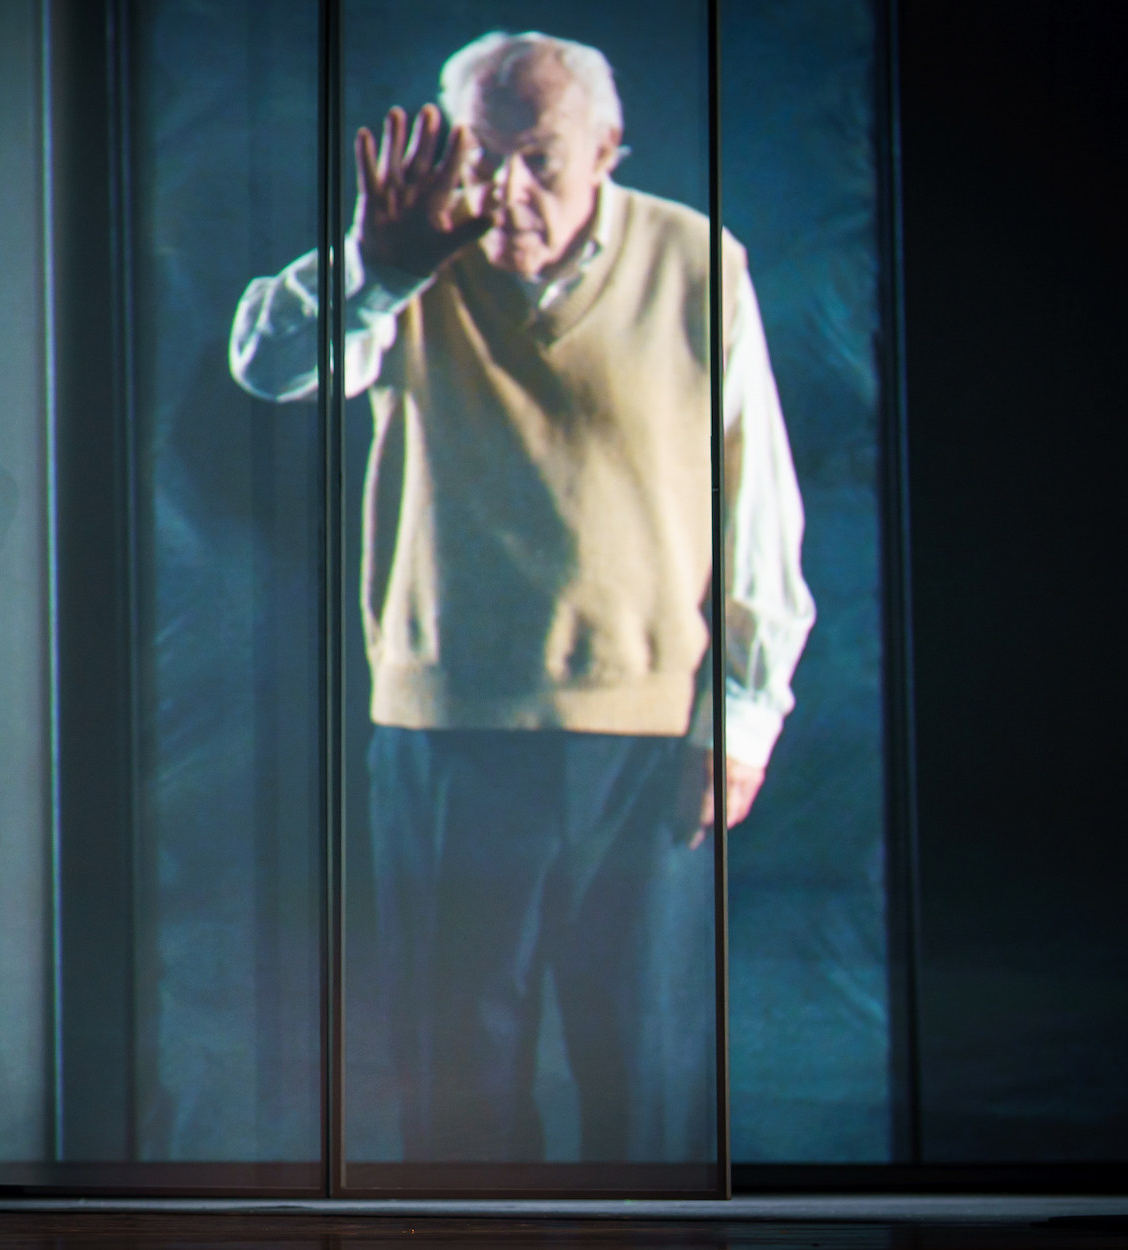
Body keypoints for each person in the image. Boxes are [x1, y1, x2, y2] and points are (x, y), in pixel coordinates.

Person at [229, 31, 814, 1162]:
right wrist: (374, 267)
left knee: (644, 1083)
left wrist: (738, 722)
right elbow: (267, 364)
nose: (503, 190)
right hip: (447, 730)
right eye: (478, 154)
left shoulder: (698, 263)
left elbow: (757, 511)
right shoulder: (407, 256)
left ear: (607, 150)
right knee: (455, 1081)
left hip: (645, 742)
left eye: (538, 157)